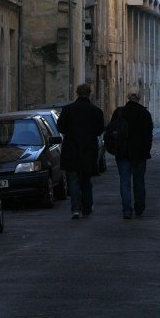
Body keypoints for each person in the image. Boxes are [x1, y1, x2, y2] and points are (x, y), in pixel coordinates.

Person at [57, 83, 104, 219]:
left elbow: (60, 127)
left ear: (77, 93)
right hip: (88, 150)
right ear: (89, 94)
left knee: (73, 180)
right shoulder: (96, 111)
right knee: (86, 180)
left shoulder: (68, 110)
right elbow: (99, 130)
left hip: (71, 150)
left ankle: (76, 209)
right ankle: (87, 208)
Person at [110, 91, 153, 219]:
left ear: (128, 98)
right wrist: (146, 150)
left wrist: (115, 149)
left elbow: (112, 131)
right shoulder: (144, 113)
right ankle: (139, 208)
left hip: (122, 152)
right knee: (139, 181)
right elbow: (148, 135)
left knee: (124, 181)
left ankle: (127, 210)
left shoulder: (119, 112)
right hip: (139, 153)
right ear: (139, 99)